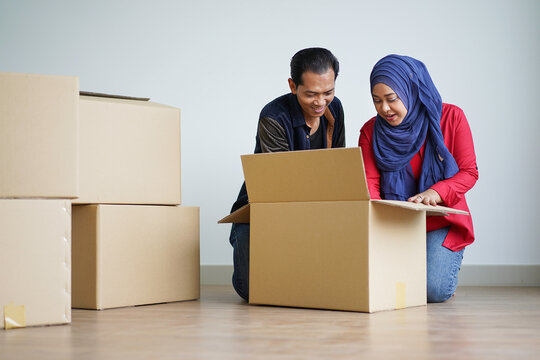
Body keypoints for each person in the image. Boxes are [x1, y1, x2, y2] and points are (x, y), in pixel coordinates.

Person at [358, 54, 478, 303]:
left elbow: (469, 172)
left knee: (434, 291)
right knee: (379, 287)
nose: (384, 109)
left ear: (411, 90)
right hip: (394, 225)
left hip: (441, 221)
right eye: (376, 101)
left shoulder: (451, 118)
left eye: (391, 99)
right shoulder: (371, 132)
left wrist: (437, 192)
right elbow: (370, 187)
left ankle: (441, 266)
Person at [229, 47, 345, 301]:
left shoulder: (335, 110)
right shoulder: (273, 116)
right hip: (264, 210)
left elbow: (337, 168)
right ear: (293, 86)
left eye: (328, 92)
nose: (321, 102)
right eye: (311, 94)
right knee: (253, 289)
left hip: (314, 209)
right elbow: (282, 185)